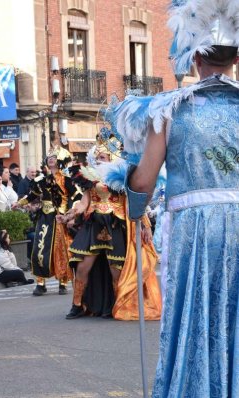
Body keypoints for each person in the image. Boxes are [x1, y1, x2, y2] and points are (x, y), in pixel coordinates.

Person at [121, 6, 239, 394]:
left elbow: (144, 180)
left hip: (195, 232)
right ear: (236, 57)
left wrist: (133, 200)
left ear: (196, 56)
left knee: (196, 315)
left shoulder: (170, 109)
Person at [62, 143, 161, 320]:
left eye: (104, 158)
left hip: (114, 224)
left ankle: (117, 304)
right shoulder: (88, 177)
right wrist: (71, 213)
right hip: (94, 225)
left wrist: (145, 226)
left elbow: (133, 203)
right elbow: (84, 202)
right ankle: (77, 305)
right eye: (98, 158)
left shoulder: (120, 176)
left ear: (110, 159)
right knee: (83, 266)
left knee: (116, 268)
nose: (101, 161)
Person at [15, 147, 80, 296]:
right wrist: (19, 203)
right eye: (49, 157)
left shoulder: (66, 179)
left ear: (60, 161)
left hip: (59, 218)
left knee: (60, 250)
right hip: (44, 218)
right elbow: (32, 196)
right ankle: (40, 283)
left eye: (54, 157)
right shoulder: (41, 180)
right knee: (40, 248)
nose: (51, 158)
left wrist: (71, 214)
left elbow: (77, 197)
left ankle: (63, 282)